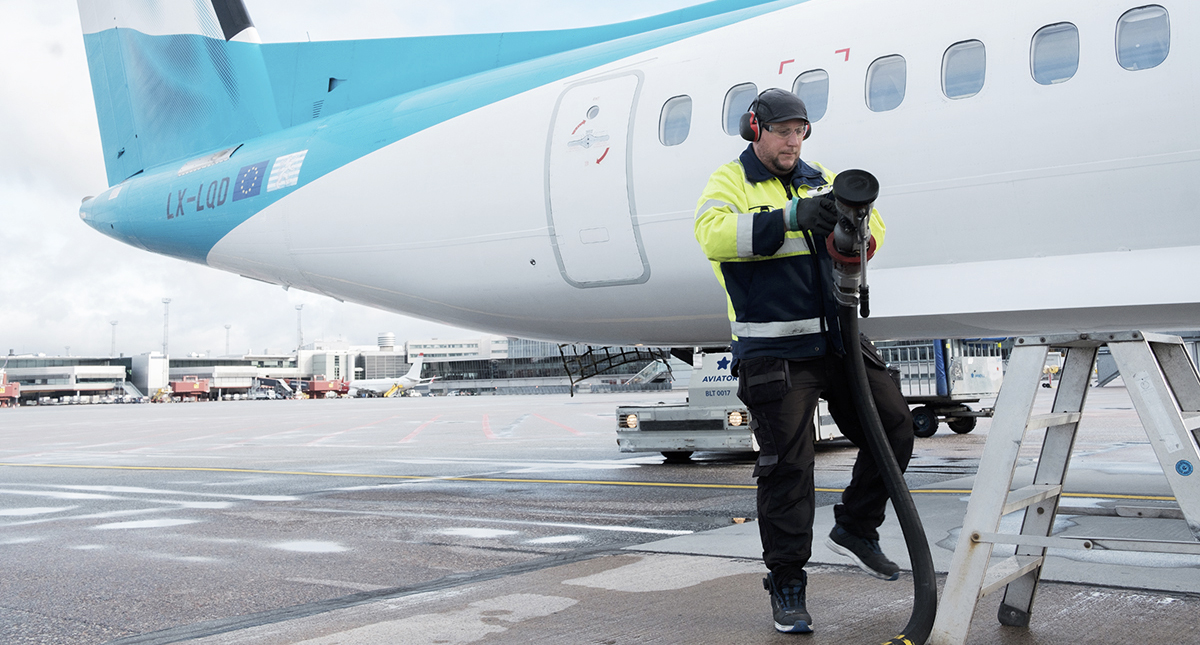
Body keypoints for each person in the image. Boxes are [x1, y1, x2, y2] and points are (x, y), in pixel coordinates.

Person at [693, 88, 914, 634]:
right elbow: (712, 235)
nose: (793, 141)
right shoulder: (731, 180)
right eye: (784, 132)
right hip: (774, 348)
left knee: (895, 427)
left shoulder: (822, 175)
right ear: (755, 130)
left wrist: (853, 234)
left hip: (839, 338)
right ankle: (788, 583)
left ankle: (857, 526)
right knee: (789, 469)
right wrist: (791, 216)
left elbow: (875, 228)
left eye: (801, 131)